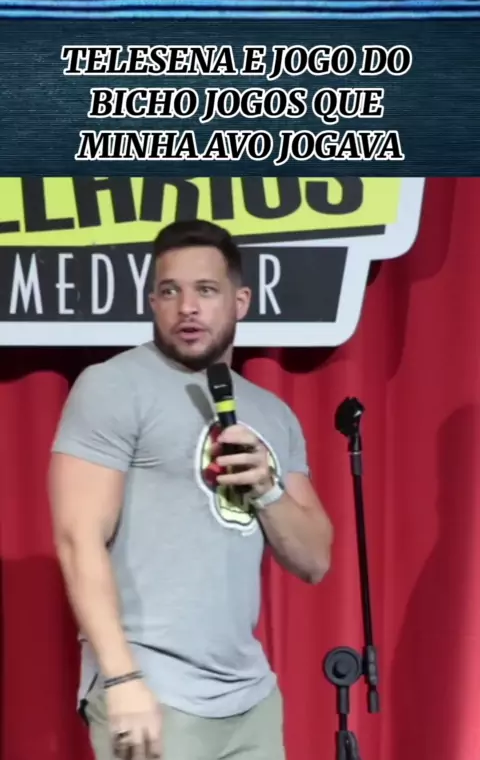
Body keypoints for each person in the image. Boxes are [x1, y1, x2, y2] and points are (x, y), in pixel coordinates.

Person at [48, 219, 333, 760]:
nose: (187, 308)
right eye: (169, 291)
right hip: (153, 691)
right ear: (152, 302)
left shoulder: (273, 413)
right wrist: (122, 678)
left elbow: (316, 560)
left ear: (240, 301)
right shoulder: (113, 385)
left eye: (205, 290)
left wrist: (268, 489)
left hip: (250, 700)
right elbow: (76, 539)